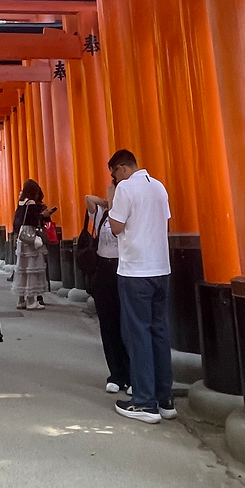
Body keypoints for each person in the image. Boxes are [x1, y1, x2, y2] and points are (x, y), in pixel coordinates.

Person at [107, 148, 177, 424]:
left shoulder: (125, 188)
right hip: (161, 268)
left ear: (122, 168)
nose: (114, 178)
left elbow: (115, 226)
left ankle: (145, 401)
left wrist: (112, 199)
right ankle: (165, 399)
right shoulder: (159, 187)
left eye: (114, 173)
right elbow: (166, 224)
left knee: (138, 334)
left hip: (135, 271)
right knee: (159, 332)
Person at [85, 186, 131, 395]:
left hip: (123, 269)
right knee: (108, 322)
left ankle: (131, 374)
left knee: (126, 323)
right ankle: (116, 374)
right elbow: (88, 199)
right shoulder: (103, 216)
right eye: (112, 190)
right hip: (103, 270)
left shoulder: (128, 213)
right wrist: (107, 202)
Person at [12, 179, 53, 310]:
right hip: (31, 235)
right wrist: (43, 215)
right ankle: (31, 300)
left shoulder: (21, 203)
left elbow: (18, 219)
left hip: (22, 236)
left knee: (22, 268)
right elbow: (34, 220)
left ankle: (21, 300)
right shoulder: (31, 203)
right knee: (32, 268)